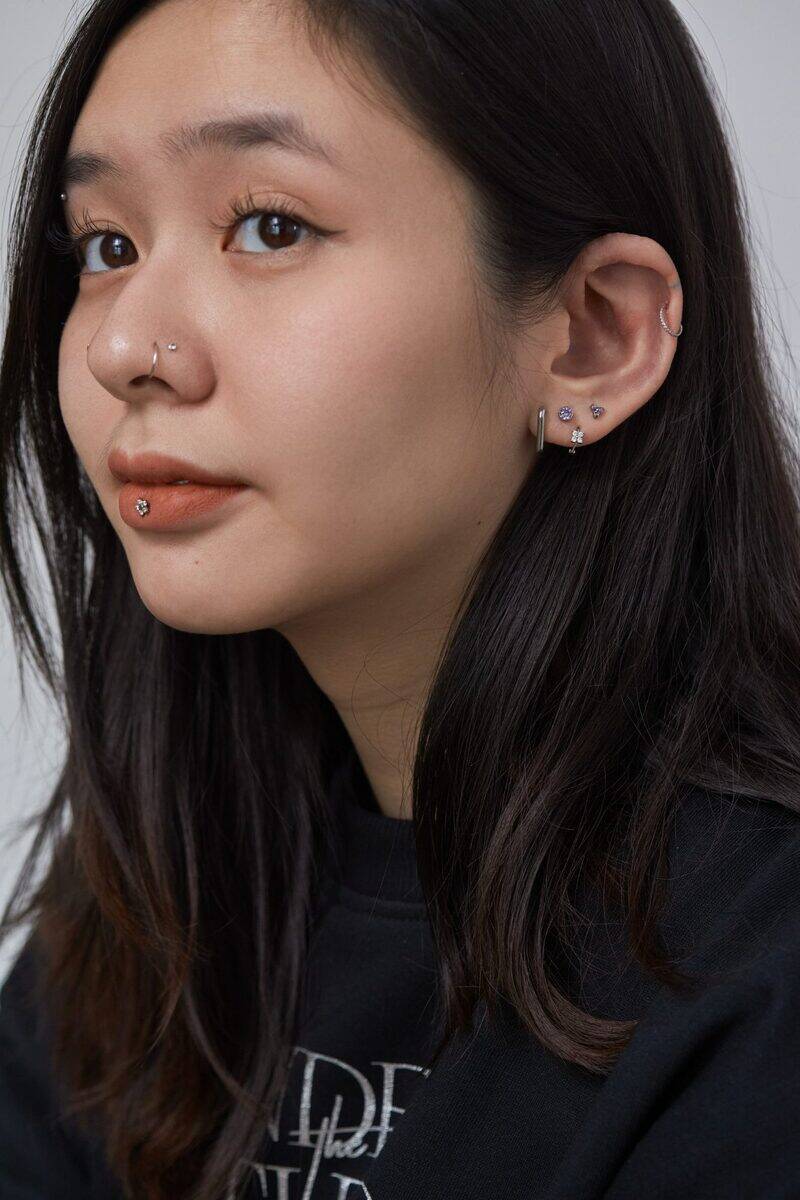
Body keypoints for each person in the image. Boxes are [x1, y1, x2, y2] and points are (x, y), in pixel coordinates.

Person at [1, 0, 799, 1196]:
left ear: (593, 337)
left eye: (268, 226)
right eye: (106, 246)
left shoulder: (763, 963)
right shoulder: (159, 875)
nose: (125, 348)